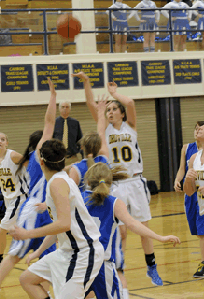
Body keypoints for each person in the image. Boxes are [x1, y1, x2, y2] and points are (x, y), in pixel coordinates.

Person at [72, 72, 164, 289]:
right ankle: (118, 268)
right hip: (115, 183)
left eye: (114, 109)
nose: (110, 111)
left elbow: (130, 102)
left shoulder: (130, 126)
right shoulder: (103, 127)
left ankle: (151, 265)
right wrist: (87, 82)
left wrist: (114, 94)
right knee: (121, 230)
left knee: (143, 226)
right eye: (109, 109)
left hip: (135, 182)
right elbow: (89, 103)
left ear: (122, 114)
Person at [10, 138, 104, 299]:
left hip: (83, 253)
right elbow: (59, 226)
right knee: (27, 279)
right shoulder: (58, 179)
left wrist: (27, 234)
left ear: (41, 162)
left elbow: (64, 224)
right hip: (67, 251)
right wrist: (39, 251)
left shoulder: (57, 183)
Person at [0, 78, 57, 299]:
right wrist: (53, 97)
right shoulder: (37, 158)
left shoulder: (56, 164)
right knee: (16, 253)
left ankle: (44, 294)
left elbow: (50, 125)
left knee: (49, 256)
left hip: (46, 211)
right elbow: (49, 123)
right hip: (31, 210)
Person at [82, 162, 180, 299]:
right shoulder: (114, 203)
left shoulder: (78, 199)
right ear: (110, 182)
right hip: (102, 264)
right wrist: (160, 237)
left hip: (79, 263)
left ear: (87, 181)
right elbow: (133, 224)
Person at [0, 133, 29, 274]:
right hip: (8, 199)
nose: (0, 141)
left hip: (20, 197)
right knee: (18, 232)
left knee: (2, 230)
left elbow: (30, 164)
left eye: (3, 139)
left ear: (7, 143)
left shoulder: (13, 155)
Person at [177, 121, 204, 278]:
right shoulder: (194, 157)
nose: (199, 129)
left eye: (202, 127)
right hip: (201, 203)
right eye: (197, 128)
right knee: (202, 234)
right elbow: (189, 191)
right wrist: (187, 179)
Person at [53, 100, 83, 166]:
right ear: (59, 109)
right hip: (58, 158)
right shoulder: (54, 123)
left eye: (67, 107)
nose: (65, 109)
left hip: (72, 157)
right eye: (63, 107)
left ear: (70, 109)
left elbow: (80, 140)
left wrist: (83, 156)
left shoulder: (75, 123)